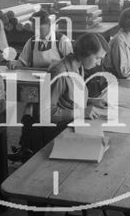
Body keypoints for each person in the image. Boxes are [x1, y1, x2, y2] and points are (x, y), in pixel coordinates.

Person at [8, 33, 108, 163]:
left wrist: (91, 100)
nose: (99, 62)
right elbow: (45, 113)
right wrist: (80, 112)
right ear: (85, 53)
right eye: (97, 58)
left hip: (70, 126)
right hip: (56, 133)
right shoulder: (59, 72)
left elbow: (67, 97)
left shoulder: (78, 66)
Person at [6, 9, 73, 69]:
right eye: (34, 29)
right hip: (35, 80)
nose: (36, 32)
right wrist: (15, 63)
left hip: (57, 79)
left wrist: (59, 65)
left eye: (39, 29)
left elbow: (72, 65)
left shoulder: (62, 41)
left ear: (49, 25)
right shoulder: (32, 42)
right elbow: (23, 62)